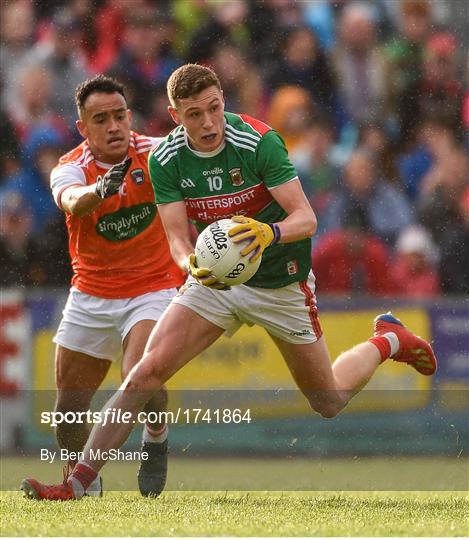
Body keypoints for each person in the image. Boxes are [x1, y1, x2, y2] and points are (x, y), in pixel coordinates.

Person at [20, 64, 437, 500]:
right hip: (216, 283)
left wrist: (266, 233)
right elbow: (178, 239)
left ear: (224, 102)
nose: (208, 123)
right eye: (194, 114)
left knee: (327, 400)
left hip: (281, 282)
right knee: (145, 372)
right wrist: (190, 266)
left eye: (214, 108)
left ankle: (388, 338)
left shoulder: (258, 141)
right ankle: (77, 485)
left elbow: (306, 218)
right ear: (175, 116)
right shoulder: (166, 159)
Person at [25, 75, 185, 498]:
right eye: (101, 119)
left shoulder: (155, 154)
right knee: (67, 412)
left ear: (130, 117)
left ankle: (155, 433)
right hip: (91, 293)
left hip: (154, 286)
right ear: (83, 128)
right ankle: (88, 483)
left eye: (120, 116)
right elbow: (71, 199)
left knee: (139, 374)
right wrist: (98, 190)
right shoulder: (70, 166)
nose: (113, 126)